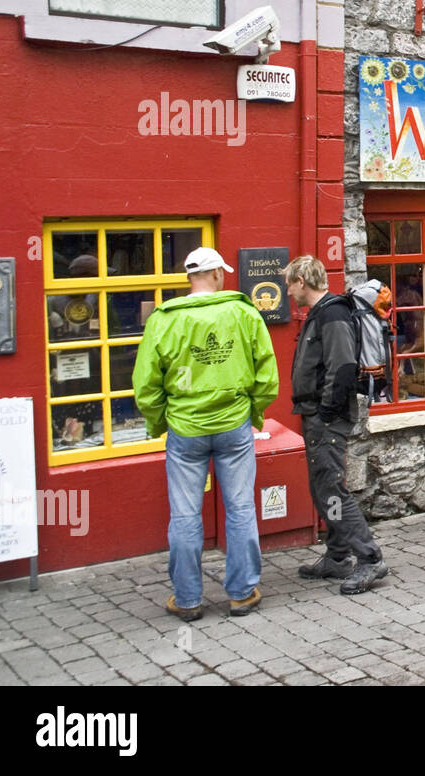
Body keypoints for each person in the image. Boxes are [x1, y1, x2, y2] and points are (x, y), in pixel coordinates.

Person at [132, 247, 278, 621]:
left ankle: (187, 599)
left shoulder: (164, 320)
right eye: (223, 272)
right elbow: (267, 375)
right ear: (214, 274)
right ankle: (242, 594)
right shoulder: (244, 313)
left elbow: (146, 384)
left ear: (189, 278)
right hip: (233, 424)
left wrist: (160, 421)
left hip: (186, 428)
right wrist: (253, 412)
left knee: (184, 515)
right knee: (241, 508)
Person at [285, 255, 389, 594]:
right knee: (322, 486)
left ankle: (369, 558)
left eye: (290, 283)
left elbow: (343, 366)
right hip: (317, 414)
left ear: (302, 280)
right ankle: (337, 555)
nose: (288, 291)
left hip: (325, 417)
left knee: (331, 487)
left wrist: (326, 412)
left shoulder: (332, 313)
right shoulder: (323, 313)